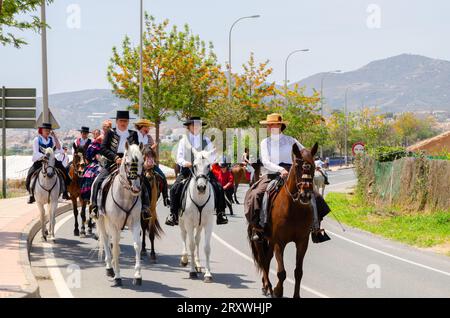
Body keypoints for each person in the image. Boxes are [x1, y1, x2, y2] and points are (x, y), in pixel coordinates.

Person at [244, 113, 331, 242]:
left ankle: (315, 228)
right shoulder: (265, 142)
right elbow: (266, 161)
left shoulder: (291, 140)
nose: (270, 127)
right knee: (257, 194)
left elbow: (305, 153)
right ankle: (259, 227)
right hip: (272, 173)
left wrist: (310, 162)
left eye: (273, 124)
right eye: (269, 125)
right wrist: (280, 170)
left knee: (315, 196)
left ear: (280, 126)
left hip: (292, 173)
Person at [166, 116, 228, 226]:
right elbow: (179, 157)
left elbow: (213, 156)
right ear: (189, 127)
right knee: (175, 188)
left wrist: (208, 160)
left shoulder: (206, 140)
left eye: (198, 125)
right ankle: (173, 215)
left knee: (218, 187)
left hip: (203, 171)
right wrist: (186, 163)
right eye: (193, 125)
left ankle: (220, 213)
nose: (196, 127)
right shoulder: (183, 140)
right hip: (188, 170)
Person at [89, 110, 150, 219]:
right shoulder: (110, 133)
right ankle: (95, 207)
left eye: (126, 121)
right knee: (98, 181)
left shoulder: (133, 134)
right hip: (113, 161)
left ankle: (145, 208)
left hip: (131, 164)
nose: (123, 123)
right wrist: (115, 157)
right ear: (117, 121)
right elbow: (102, 148)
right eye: (121, 120)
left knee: (144, 181)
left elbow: (136, 150)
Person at [26, 123, 71, 203]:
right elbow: (36, 152)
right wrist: (44, 156)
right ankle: (31, 194)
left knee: (63, 170)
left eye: (49, 130)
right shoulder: (37, 140)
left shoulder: (51, 139)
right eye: (45, 130)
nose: (47, 132)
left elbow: (59, 148)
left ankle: (65, 192)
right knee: (30, 174)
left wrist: (55, 136)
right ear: (41, 131)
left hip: (51, 160)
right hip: (40, 160)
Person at [134, 118, 170, 207]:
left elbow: (152, 152)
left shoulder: (149, 138)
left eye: (148, 128)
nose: (148, 129)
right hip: (138, 164)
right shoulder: (134, 136)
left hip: (150, 162)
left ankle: (166, 197)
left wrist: (152, 149)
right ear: (141, 127)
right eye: (146, 127)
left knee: (162, 176)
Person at [80, 129, 102, 202]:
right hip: (93, 163)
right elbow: (87, 156)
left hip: (103, 163)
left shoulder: (103, 144)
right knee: (86, 174)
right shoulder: (91, 145)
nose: (97, 135)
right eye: (95, 134)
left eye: (98, 134)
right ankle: (87, 195)